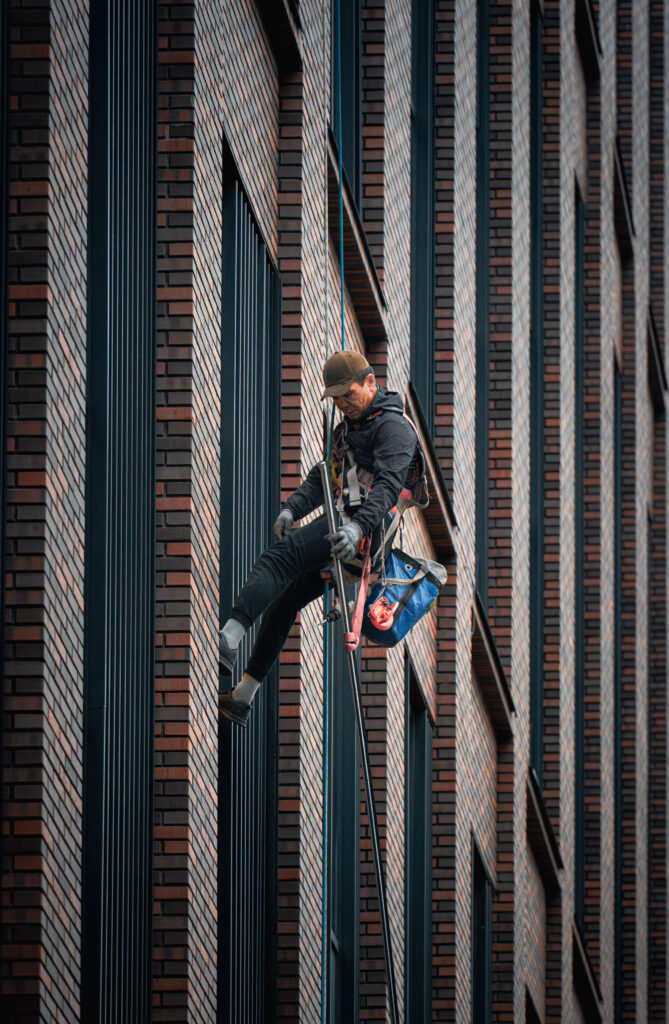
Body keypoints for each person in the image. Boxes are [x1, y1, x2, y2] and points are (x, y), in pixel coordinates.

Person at [218, 350, 420, 726]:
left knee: (280, 559)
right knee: (287, 596)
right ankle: (243, 695)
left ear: (370, 382)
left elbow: (388, 487)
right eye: (337, 398)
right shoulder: (350, 430)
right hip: (351, 530)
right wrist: (292, 509)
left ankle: (228, 638)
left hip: (362, 531)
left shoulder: (394, 428)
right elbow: (325, 475)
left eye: (349, 394)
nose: (343, 404)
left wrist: (358, 527)